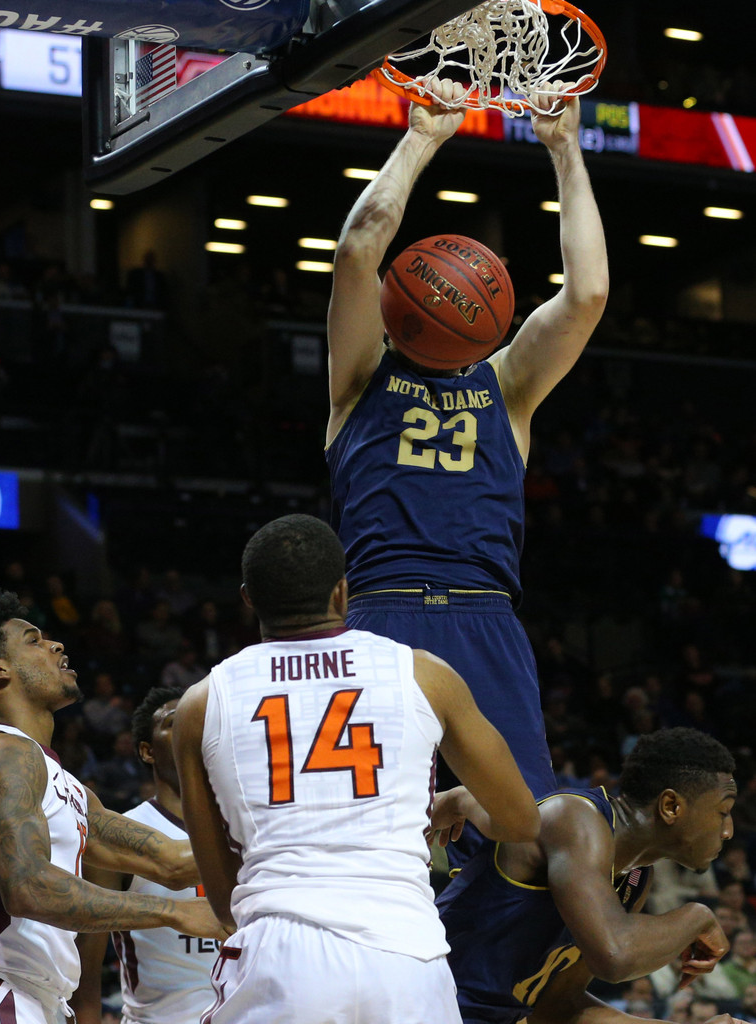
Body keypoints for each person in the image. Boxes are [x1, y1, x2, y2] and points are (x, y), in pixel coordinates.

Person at [325, 76, 609, 859]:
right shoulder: (356, 381)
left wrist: (564, 149)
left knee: (524, 839)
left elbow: (586, 294)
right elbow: (357, 248)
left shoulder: (509, 385)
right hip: (379, 616)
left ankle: (489, 983)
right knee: (368, 829)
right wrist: (421, 139)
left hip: (486, 614)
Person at [172, 513, 540, 1024]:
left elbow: (220, 890)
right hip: (406, 955)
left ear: (248, 598)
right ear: (343, 592)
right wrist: (457, 801)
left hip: (281, 954)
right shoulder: (423, 674)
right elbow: (522, 821)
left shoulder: (200, 704)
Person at [0, 581, 224, 1024]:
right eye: (34, 641)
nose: (56, 645)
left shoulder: (64, 783)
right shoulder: (3, 754)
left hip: (37, 996)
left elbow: (173, 860)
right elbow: (29, 888)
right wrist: (176, 912)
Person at [430, 727, 742, 1024]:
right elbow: (615, 955)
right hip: (424, 1002)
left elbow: (557, 1007)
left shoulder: (635, 878)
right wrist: (698, 916)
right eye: (722, 812)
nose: (728, 831)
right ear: (671, 806)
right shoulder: (576, 818)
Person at [72, 686, 221, 1024]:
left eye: (198, 720)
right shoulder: (123, 834)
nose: (191, 728)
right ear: (147, 751)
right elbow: (85, 971)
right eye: (174, 722)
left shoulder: (247, 823)